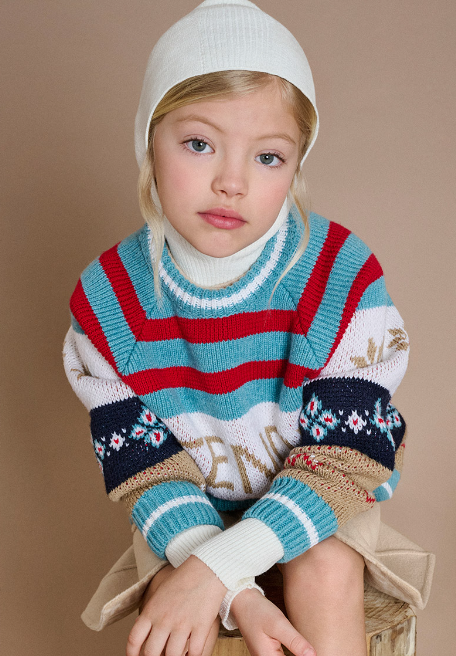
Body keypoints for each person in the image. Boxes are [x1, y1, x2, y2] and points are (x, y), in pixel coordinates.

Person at [63, 1, 434, 655]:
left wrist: (224, 567)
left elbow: (345, 459)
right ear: (149, 142)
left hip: (319, 488)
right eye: (199, 144)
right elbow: (148, 469)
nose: (230, 182)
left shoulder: (336, 276)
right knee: (174, 607)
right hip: (186, 507)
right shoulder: (110, 301)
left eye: (267, 157)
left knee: (325, 568)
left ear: (296, 168)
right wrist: (230, 586)